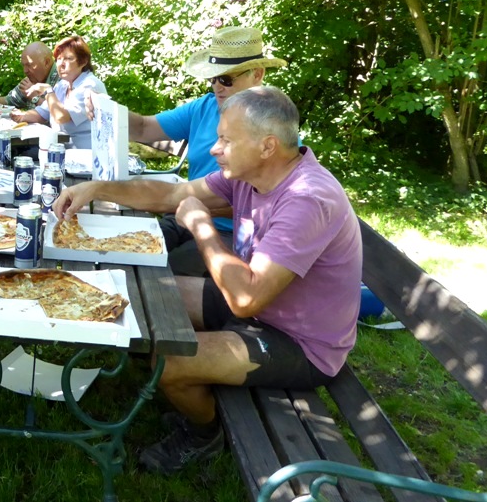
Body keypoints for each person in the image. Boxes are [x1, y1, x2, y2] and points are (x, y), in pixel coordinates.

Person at [54, 86, 362, 475]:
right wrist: (98, 188)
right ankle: (190, 395)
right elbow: (174, 193)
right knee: (136, 298)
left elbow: (246, 300)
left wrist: (200, 226)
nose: (214, 149)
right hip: (264, 311)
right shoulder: (251, 175)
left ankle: (203, 434)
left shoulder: (306, 199)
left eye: (225, 140)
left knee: (168, 358)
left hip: (301, 342)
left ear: (267, 146)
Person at [126, 26, 287, 277]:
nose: (217, 87)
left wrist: (195, 211)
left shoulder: (273, 127)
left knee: (155, 278)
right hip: (187, 217)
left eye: (226, 79)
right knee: (128, 254)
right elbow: (145, 128)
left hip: (230, 234)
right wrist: (106, 112)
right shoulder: (205, 107)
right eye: (212, 78)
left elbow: (267, 207)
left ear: (258, 74)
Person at [10, 35, 107, 149]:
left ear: (83, 62)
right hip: (60, 149)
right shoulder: (63, 84)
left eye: (68, 59)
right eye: (59, 59)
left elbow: (61, 117)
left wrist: (48, 91)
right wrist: (20, 116)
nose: (61, 64)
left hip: (86, 154)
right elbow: (42, 114)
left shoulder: (90, 85)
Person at [0, 41, 60, 110]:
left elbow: (61, 115)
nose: (25, 70)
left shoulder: (63, 78)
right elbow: (8, 101)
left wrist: (34, 97)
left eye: (29, 65)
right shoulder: (33, 79)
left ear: (46, 62)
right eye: (24, 65)